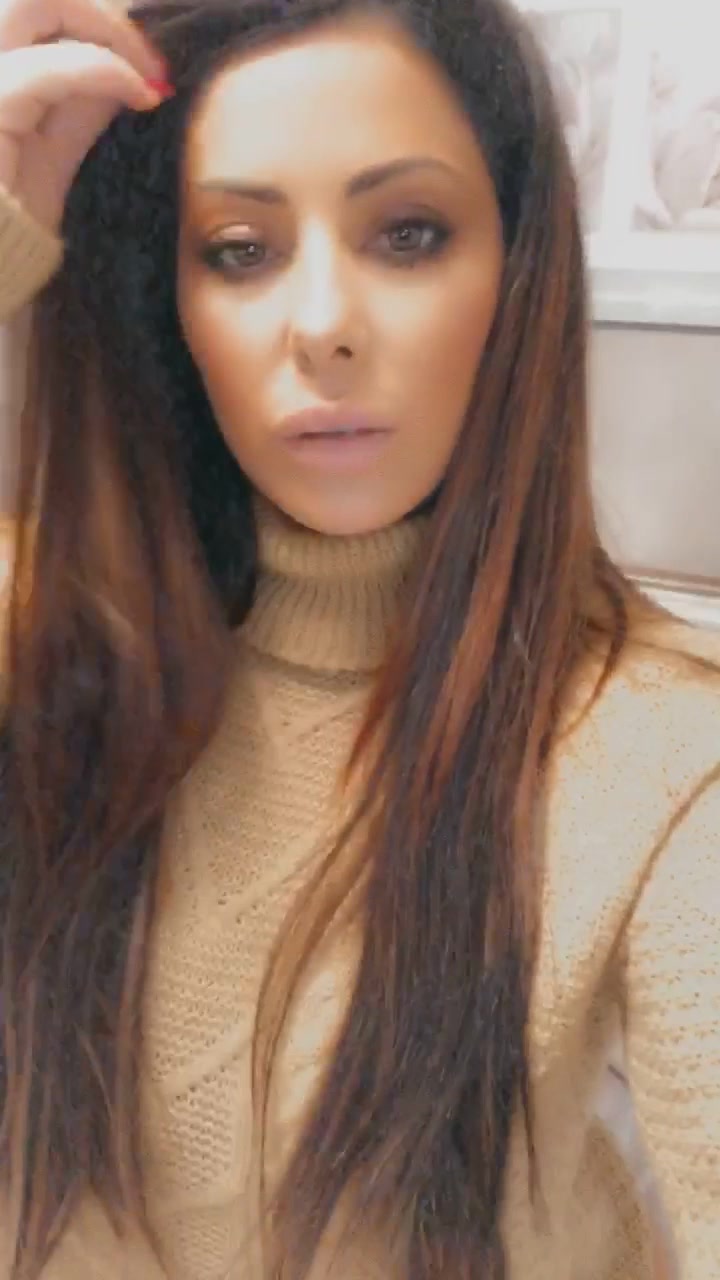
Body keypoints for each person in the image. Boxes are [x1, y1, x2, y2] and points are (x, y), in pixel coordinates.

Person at [0, 0, 717, 1277]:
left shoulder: (657, 757)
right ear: (168, 302)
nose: (323, 322)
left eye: (408, 233)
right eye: (239, 250)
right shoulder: (38, 639)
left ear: (515, 271)